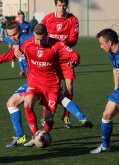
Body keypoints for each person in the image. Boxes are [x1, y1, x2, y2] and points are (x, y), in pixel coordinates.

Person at [0, 23, 92, 148]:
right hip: (33, 82)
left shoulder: (55, 44)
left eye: (42, 39)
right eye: (37, 39)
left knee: (49, 117)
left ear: (47, 35)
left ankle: (45, 133)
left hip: (50, 84)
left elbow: (74, 54)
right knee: (22, 103)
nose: (39, 42)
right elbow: (13, 53)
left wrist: (74, 61)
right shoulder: (28, 43)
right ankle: (32, 136)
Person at [41, 0, 79, 128]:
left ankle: (66, 115)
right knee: (51, 87)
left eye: (64, 5)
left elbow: (74, 39)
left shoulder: (73, 19)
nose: (62, 8)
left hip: (65, 56)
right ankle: (46, 116)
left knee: (69, 85)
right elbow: (39, 34)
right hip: (51, 58)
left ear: (66, 5)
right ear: (55, 5)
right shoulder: (47, 19)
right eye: (59, 5)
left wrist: (61, 44)